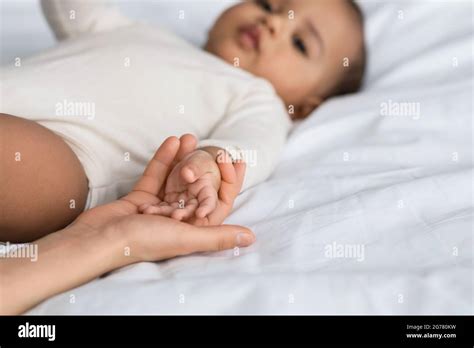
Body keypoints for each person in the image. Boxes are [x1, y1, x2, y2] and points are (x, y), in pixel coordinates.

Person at [0, 0, 365, 242]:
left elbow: (253, 147)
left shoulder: (258, 98)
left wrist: (208, 161)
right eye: (269, 3)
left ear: (302, 108)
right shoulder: (143, 33)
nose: (273, 23)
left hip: (66, 160)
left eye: (300, 42)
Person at [0, 135, 256, 315]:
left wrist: (207, 160)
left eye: (298, 52)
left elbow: (249, 143)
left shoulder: (254, 91)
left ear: (299, 107)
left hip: (62, 152)